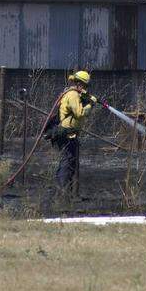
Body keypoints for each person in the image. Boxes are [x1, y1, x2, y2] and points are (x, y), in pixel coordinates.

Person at [50, 70, 95, 199]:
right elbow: (80, 113)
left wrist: (86, 99)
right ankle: (62, 194)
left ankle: (64, 193)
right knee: (67, 162)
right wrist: (89, 105)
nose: (85, 89)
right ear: (80, 84)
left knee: (69, 163)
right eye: (85, 86)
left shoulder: (74, 94)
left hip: (69, 134)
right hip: (66, 134)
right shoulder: (73, 95)